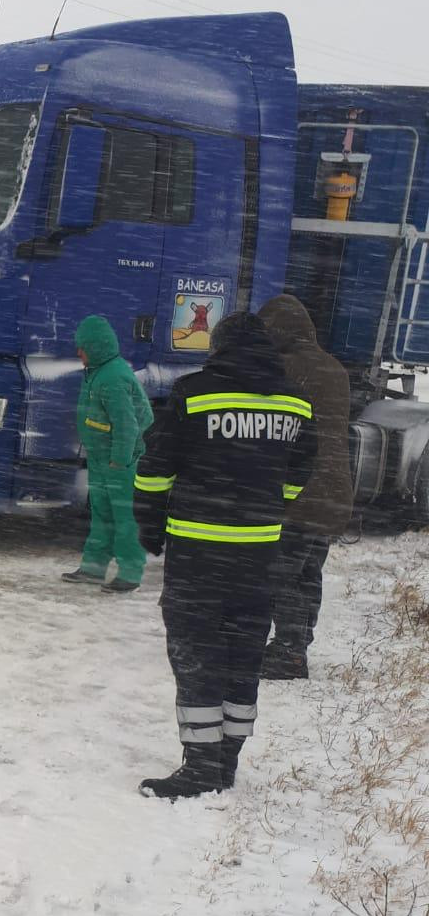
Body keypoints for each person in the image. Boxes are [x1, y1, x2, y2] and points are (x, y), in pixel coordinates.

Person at [133, 313, 318, 799]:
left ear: (220, 348)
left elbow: (155, 467)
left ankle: (199, 766)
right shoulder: (296, 403)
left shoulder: (194, 393)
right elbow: (302, 467)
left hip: (199, 554)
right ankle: (226, 761)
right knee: (243, 655)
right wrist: (275, 503)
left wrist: (148, 524)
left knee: (196, 654)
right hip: (259, 556)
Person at [258, 294, 353, 679]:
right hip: (334, 489)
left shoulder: (284, 369)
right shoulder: (334, 367)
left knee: (282, 574)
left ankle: (288, 653)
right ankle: (297, 647)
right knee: (309, 572)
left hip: (301, 490)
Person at [61, 315, 154, 594]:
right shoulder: (97, 372)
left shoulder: (112, 377)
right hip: (103, 458)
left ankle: (130, 572)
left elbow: (127, 424)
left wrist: (120, 459)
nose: (78, 353)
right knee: (102, 513)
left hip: (120, 461)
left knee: (125, 516)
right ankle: (94, 567)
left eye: (83, 347)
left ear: (97, 347)